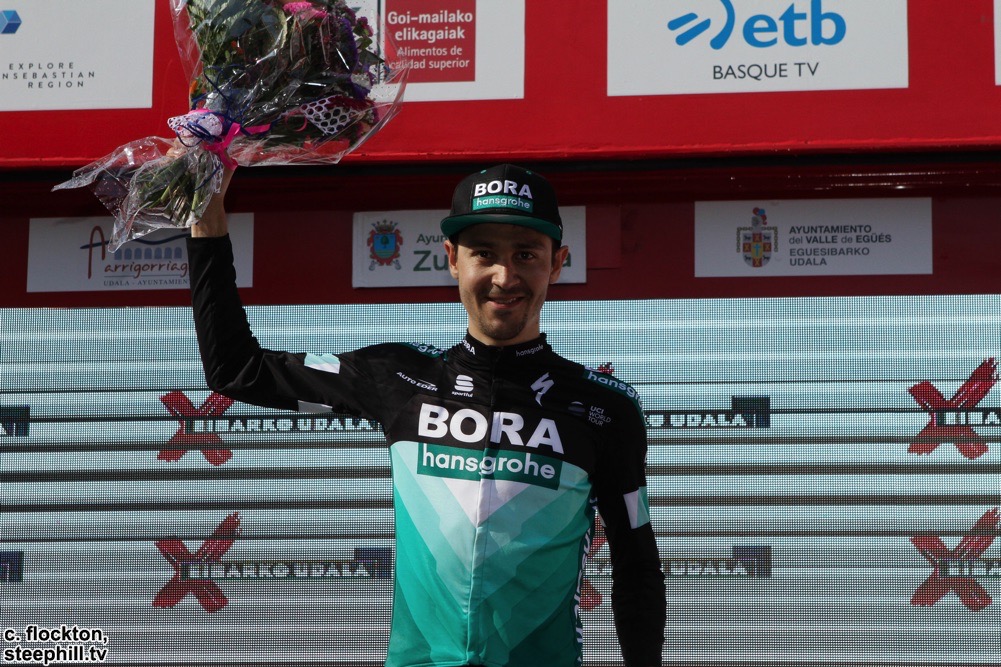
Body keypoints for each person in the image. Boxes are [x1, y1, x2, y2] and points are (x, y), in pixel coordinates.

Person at [186, 163, 666, 667]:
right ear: (453, 259)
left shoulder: (604, 408)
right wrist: (205, 212)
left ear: (558, 263)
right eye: (484, 254)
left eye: (526, 254)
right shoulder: (399, 375)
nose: (505, 277)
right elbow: (236, 370)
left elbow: (636, 565)